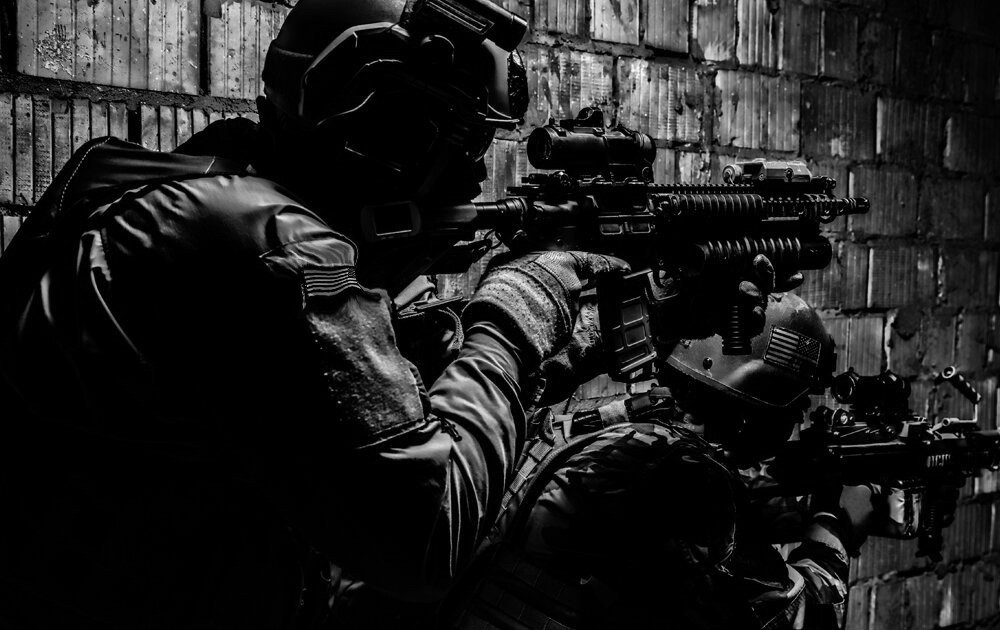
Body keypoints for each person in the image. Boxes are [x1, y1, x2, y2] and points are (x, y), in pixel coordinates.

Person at [0, 1, 627, 627]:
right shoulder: (281, 245)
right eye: (457, 143)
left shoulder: (194, 194)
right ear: (383, 130)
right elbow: (423, 541)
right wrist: (516, 317)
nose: (470, 181)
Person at [441, 290, 908, 630]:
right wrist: (837, 523)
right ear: (759, 410)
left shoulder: (602, 425)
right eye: (795, 407)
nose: (800, 418)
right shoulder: (690, 481)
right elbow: (798, 617)